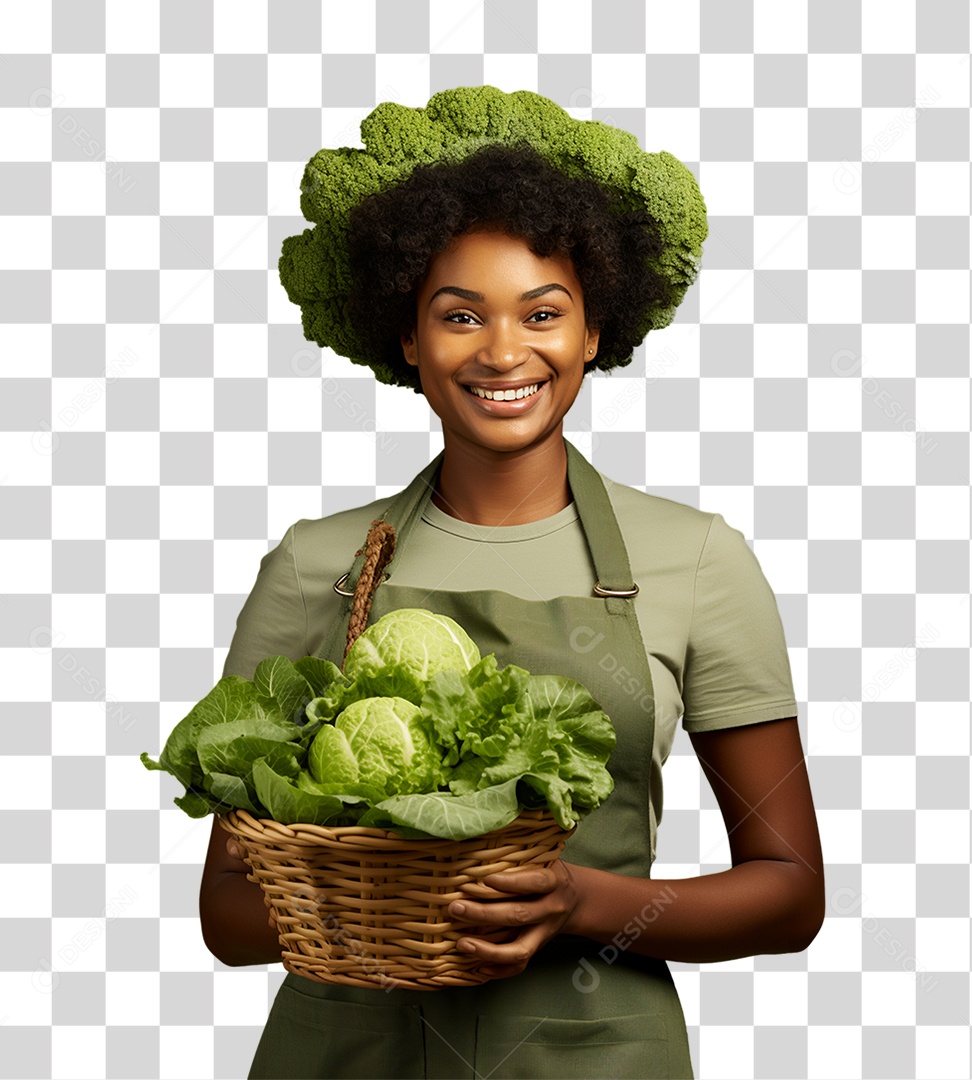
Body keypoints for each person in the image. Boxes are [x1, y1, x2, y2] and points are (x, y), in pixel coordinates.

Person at [198, 87, 824, 1080]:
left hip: (594, 1051)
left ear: (592, 335)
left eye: (543, 313)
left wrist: (589, 905)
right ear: (408, 339)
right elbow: (227, 914)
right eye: (459, 316)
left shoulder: (697, 559)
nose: (502, 352)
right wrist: (370, 892)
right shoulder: (316, 562)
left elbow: (790, 892)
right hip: (348, 1053)